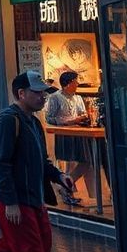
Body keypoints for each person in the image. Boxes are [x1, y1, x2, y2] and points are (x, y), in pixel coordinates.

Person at [0, 71, 74, 252]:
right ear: (21, 94)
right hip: (16, 200)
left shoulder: (34, 122)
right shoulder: (7, 120)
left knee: (19, 247)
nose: (42, 96)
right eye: (37, 92)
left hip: (35, 199)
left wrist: (59, 176)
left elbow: (41, 160)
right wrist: (10, 202)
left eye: (43, 92)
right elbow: (0, 163)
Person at [45, 71, 93, 206]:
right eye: (75, 81)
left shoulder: (78, 98)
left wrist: (83, 118)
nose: (77, 84)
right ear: (69, 83)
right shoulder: (55, 97)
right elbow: (49, 118)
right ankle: (67, 190)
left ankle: (65, 186)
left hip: (79, 134)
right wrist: (68, 121)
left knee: (85, 162)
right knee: (69, 163)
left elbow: (83, 113)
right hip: (64, 134)